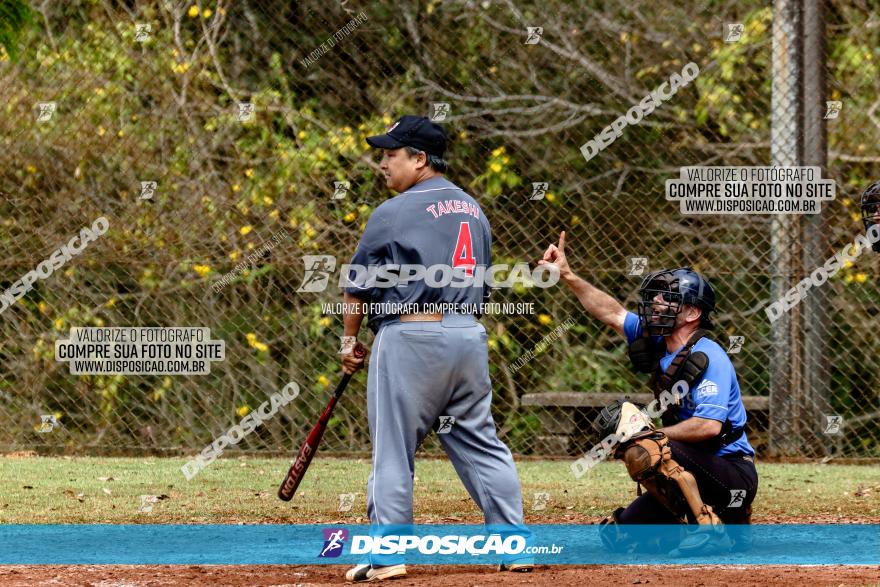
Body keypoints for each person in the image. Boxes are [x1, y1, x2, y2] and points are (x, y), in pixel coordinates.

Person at [339, 115, 531, 581]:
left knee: (393, 448)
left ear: (420, 159)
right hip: (467, 336)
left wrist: (349, 341)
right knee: (480, 441)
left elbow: (357, 288)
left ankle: (386, 553)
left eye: (391, 155)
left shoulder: (394, 211)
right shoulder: (474, 209)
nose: (383, 164)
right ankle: (513, 545)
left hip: (410, 337)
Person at [538, 231, 757, 553]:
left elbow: (709, 426)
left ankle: (711, 527)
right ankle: (726, 524)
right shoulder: (657, 341)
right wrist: (568, 275)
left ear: (692, 313)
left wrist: (649, 434)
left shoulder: (710, 356)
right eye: (656, 296)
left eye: (668, 298)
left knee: (647, 443)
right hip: (690, 469)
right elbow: (610, 312)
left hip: (730, 473)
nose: (656, 302)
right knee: (619, 538)